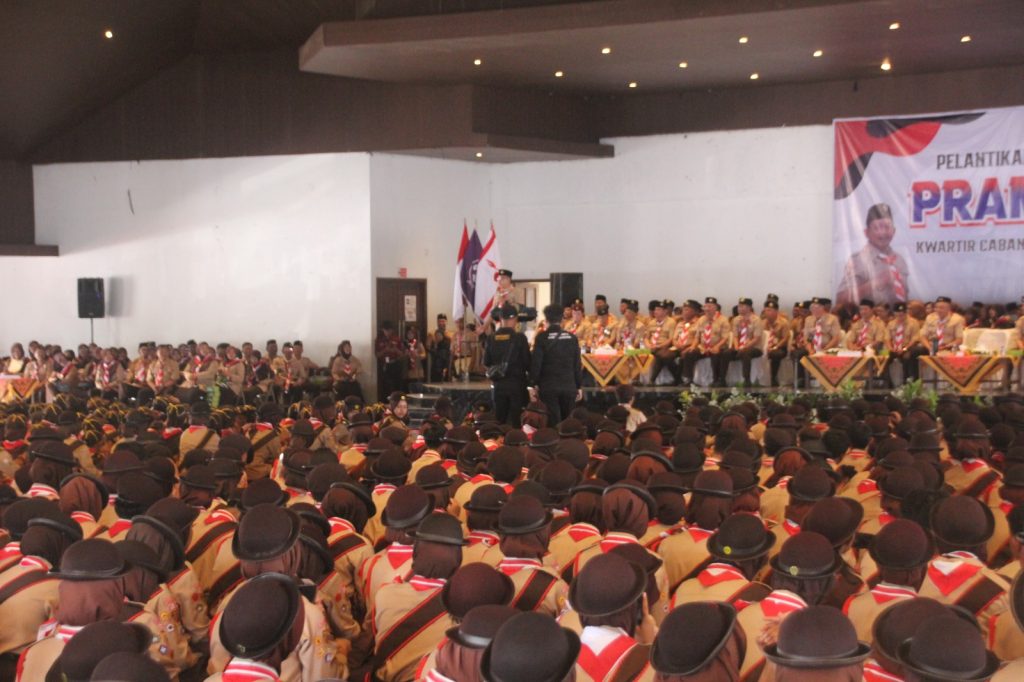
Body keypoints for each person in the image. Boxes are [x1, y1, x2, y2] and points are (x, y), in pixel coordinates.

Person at [836, 202, 910, 306]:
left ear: (894, 231)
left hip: (896, 315)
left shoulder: (899, 260)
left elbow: (905, 296)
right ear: (866, 232)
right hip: (870, 314)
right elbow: (841, 300)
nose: (883, 232)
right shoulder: (858, 260)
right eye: (877, 228)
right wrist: (876, 282)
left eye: (887, 227)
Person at [529, 304, 583, 425]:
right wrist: (578, 385)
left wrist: (532, 383)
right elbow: (577, 364)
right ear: (562, 319)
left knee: (553, 422)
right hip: (569, 385)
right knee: (567, 423)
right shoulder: (572, 338)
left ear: (546, 319)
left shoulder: (541, 338)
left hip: (548, 387)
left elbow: (536, 364)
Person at [484, 304, 531, 427]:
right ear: (515, 319)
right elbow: (527, 362)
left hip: (498, 385)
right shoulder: (520, 338)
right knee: (517, 422)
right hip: (517, 385)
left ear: (500, 318)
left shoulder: (491, 338)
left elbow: (486, 362)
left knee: (499, 421)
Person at [793, 297, 843, 387]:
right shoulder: (809, 319)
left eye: (817, 307)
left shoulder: (832, 319)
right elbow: (807, 338)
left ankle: (829, 382)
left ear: (823, 308)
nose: (814, 310)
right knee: (798, 353)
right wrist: (810, 350)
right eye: (812, 308)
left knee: (830, 355)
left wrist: (825, 349)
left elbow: (836, 338)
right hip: (813, 347)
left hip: (827, 347)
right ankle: (801, 380)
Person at [681, 297, 730, 387]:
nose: (707, 309)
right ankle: (688, 379)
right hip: (703, 348)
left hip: (717, 346)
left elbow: (725, 337)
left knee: (716, 354)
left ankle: (717, 380)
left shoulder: (723, 320)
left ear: (715, 307)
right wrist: (693, 346)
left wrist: (717, 347)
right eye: (706, 306)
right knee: (690, 353)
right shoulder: (702, 319)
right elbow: (697, 337)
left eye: (710, 306)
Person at [723, 297, 764, 386]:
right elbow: (735, 336)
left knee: (745, 353)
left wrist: (745, 347)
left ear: (749, 307)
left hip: (754, 347)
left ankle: (747, 380)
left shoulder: (756, 320)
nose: (739, 308)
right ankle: (722, 379)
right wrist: (737, 347)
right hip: (739, 346)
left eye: (742, 306)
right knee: (726, 353)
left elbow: (756, 338)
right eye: (739, 306)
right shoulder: (736, 320)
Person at [885, 302, 927, 383]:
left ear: (906, 313)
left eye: (902, 314)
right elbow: (887, 338)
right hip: (893, 349)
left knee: (908, 356)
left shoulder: (913, 322)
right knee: (882, 356)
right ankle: (887, 382)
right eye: (898, 314)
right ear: (894, 313)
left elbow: (915, 339)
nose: (900, 316)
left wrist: (905, 348)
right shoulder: (891, 324)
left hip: (907, 348)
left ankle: (908, 382)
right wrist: (891, 348)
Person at [762, 297, 791, 387]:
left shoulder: (783, 323)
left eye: (769, 310)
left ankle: (773, 377)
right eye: (766, 310)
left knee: (775, 354)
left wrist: (775, 347)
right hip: (766, 347)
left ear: (776, 312)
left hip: (780, 347)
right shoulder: (763, 323)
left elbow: (785, 338)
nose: (767, 312)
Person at [375, 321, 405, 396]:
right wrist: (385, 350)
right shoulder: (379, 340)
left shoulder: (396, 339)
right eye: (385, 330)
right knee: (386, 386)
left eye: (389, 330)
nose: (387, 332)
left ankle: (397, 400)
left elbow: (402, 354)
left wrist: (395, 350)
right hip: (385, 365)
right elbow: (377, 355)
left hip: (395, 364)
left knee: (397, 385)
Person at [426, 314, 452, 382]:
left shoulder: (450, 334)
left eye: (443, 321)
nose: (441, 323)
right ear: (437, 322)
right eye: (439, 321)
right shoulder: (432, 333)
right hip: (437, 358)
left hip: (448, 357)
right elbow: (428, 346)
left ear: (446, 322)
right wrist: (436, 344)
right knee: (437, 377)